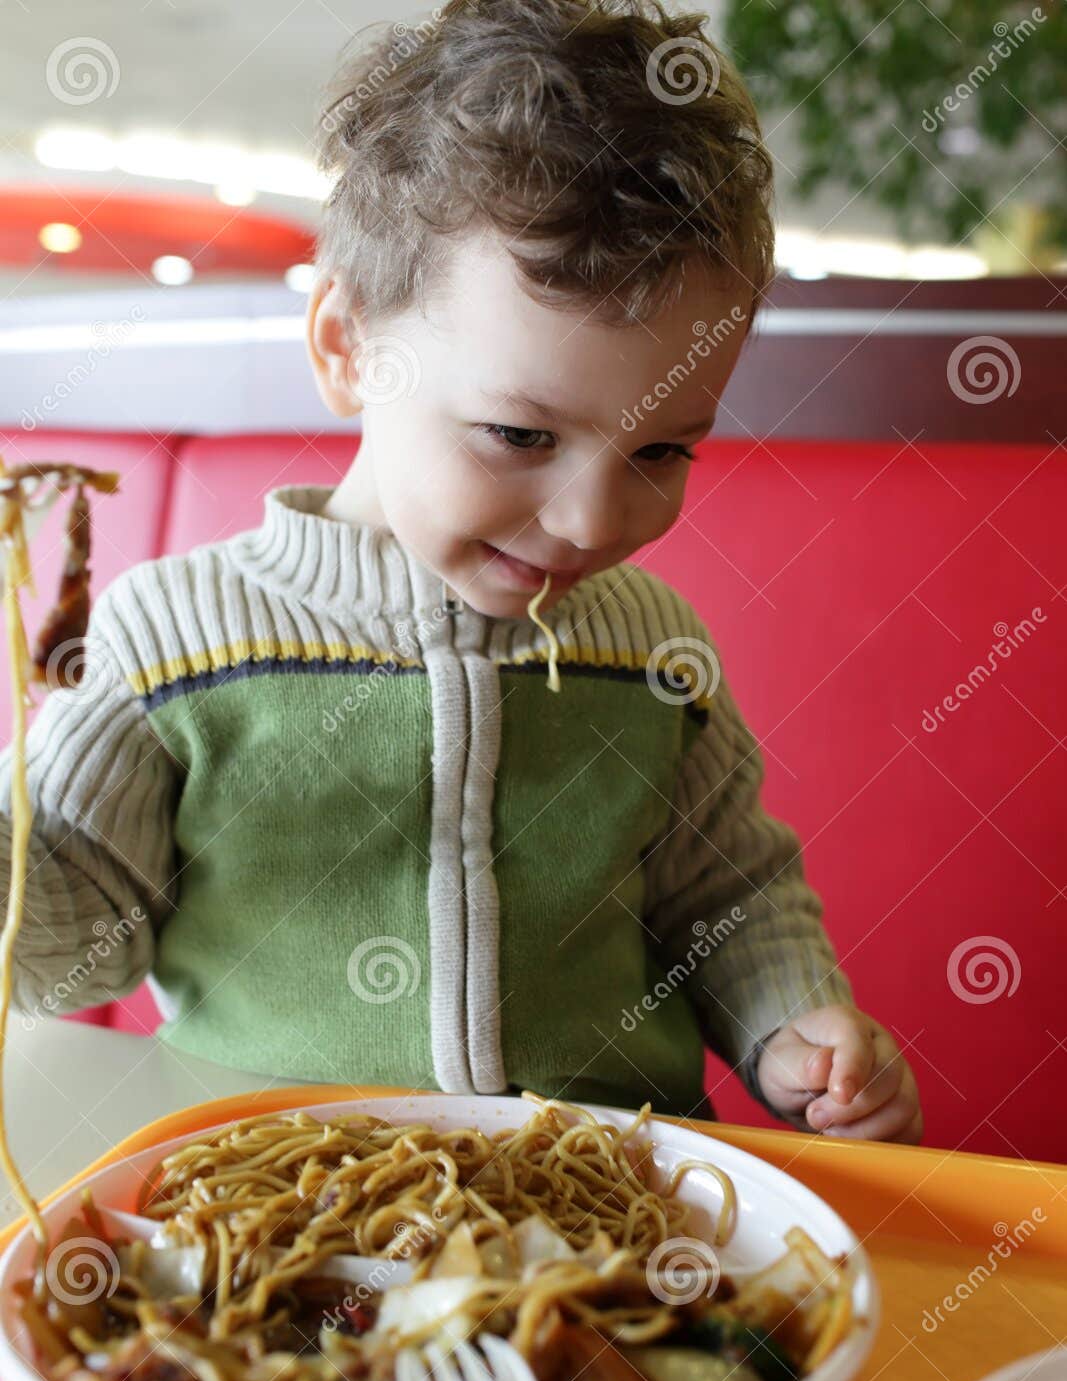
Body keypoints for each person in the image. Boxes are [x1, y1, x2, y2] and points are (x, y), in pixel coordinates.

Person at [0, 0, 921, 1143]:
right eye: (519, 436)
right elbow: (61, 947)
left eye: (661, 449)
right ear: (347, 346)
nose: (593, 517)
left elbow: (724, 894)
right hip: (266, 1225)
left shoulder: (651, 653)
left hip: (609, 1230)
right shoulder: (169, 645)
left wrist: (793, 1023)